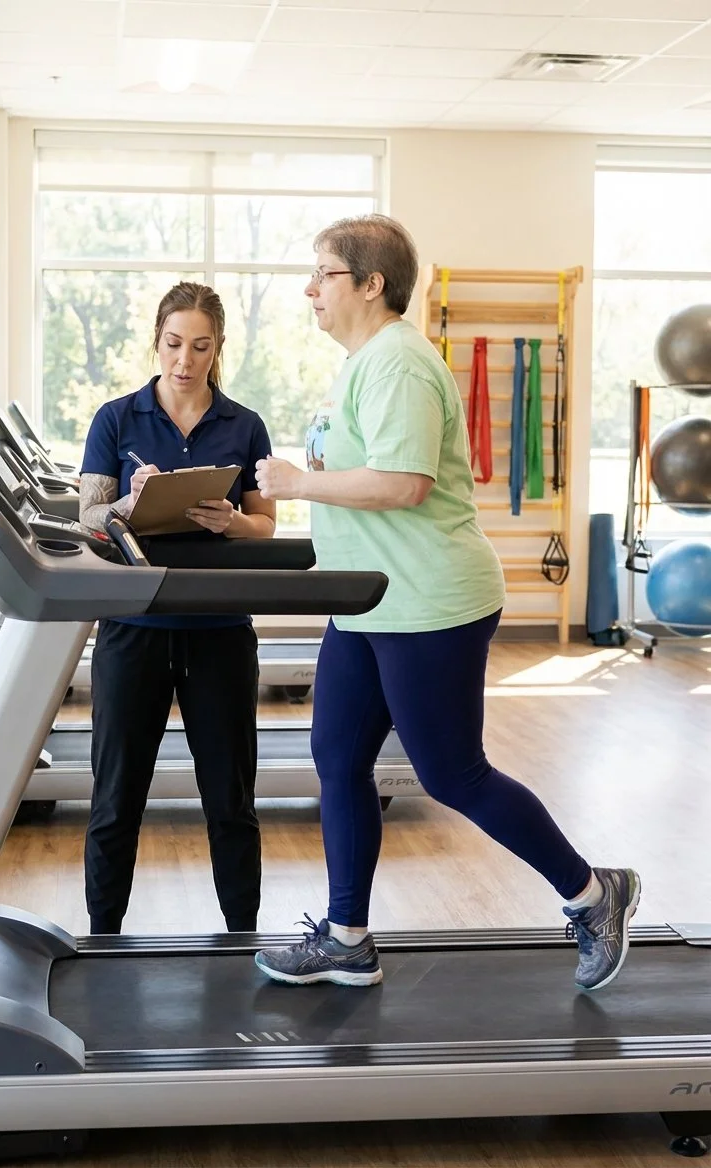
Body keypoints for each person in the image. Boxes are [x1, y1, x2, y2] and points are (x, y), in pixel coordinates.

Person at [252, 215, 640, 991]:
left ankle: (595, 895)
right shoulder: (364, 362)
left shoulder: (397, 361)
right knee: (337, 759)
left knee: (452, 775)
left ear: (369, 283)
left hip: (428, 602)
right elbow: (361, 486)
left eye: (323, 273)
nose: (309, 289)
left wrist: (296, 484)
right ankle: (346, 937)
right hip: (365, 604)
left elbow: (404, 484)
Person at [79, 282, 276, 935]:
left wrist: (230, 521)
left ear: (218, 347)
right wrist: (128, 508)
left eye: (199, 346)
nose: (184, 360)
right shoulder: (116, 418)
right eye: (173, 344)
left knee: (230, 801)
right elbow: (88, 518)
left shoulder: (243, 425)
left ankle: (242, 933)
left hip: (219, 634)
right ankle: (102, 933)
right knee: (115, 801)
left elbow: (265, 523)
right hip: (132, 630)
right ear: (156, 341)